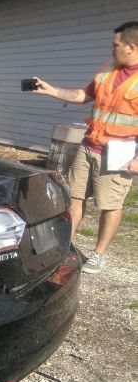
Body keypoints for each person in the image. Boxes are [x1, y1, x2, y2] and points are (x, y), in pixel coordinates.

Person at [33, 21, 138, 273]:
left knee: (110, 204)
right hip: (88, 145)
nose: (111, 49)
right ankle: (65, 246)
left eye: (116, 46)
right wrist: (52, 91)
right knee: (75, 198)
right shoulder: (109, 69)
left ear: (132, 47)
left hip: (117, 155)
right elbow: (84, 95)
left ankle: (98, 254)